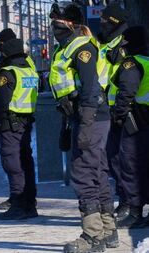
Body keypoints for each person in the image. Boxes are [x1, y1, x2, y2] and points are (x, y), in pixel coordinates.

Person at [48, 2, 118, 252]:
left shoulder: (82, 48)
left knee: (84, 173)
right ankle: (108, 230)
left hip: (91, 117)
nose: (53, 28)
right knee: (96, 171)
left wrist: (85, 124)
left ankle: (93, 235)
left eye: (57, 23)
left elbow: (89, 89)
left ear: (71, 24)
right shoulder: (67, 47)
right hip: (87, 117)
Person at [0, 34, 39, 221]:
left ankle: (18, 205)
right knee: (26, 162)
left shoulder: (8, 72)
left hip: (10, 123)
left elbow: (1, 102)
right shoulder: (29, 69)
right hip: (25, 122)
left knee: (13, 164)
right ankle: (29, 203)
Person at [112, 26, 149, 229]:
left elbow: (126, 92)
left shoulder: (131, 64)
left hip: (136, 124)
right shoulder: (147, 61)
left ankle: (135, 212)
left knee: (131, 167)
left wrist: (118, 116)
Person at [97, 3, 130, 221]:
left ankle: (129, 203)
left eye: (105, 19)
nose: (102, 23)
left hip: (125, 108)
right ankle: (124, 199)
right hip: (108, 107)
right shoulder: (105, 43)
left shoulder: (124, 43)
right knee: (113, 157)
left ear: (115, 22)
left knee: (124, 159)